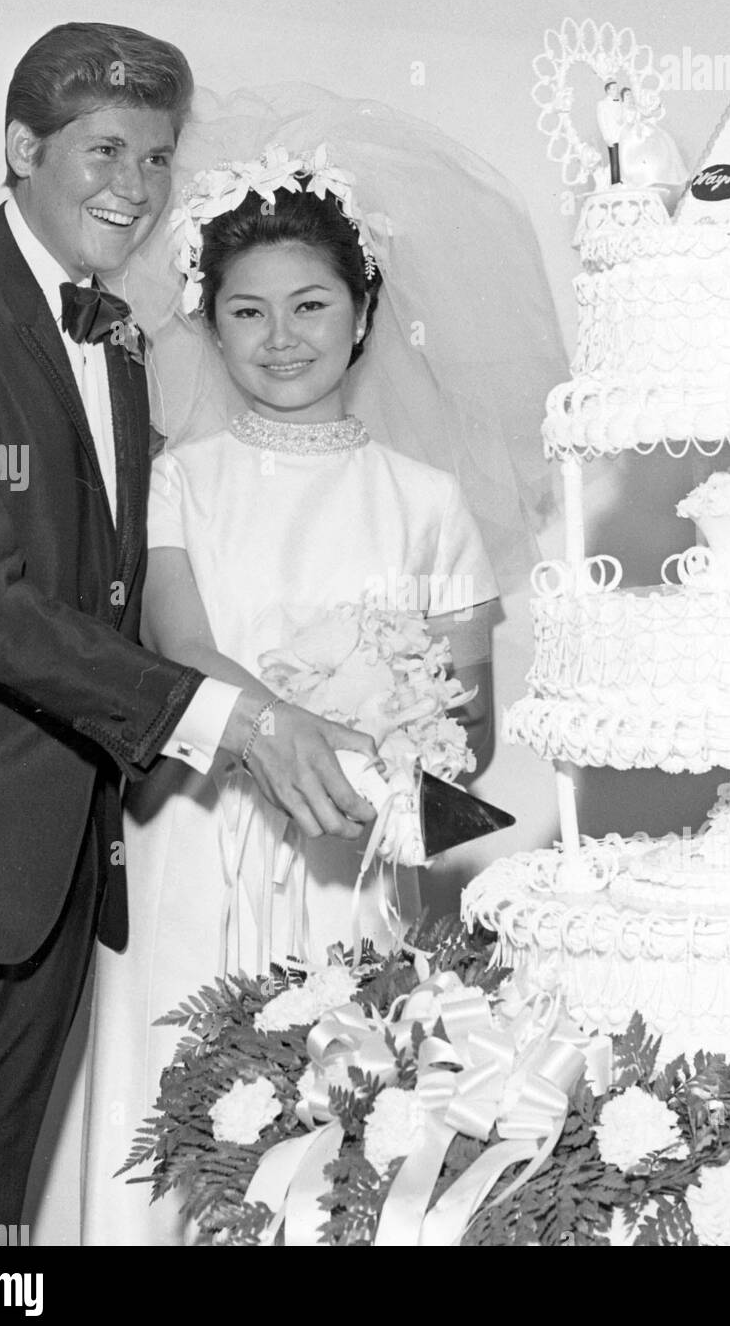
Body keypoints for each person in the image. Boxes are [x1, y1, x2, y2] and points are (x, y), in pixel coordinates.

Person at [0, 28, 378, 1248]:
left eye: (158, 157)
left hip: (65, 857)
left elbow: (105, 590)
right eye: (104, 150)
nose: (135, 185)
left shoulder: (114, 340)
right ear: (20, 149)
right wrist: (232, 717)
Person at [75, 89, 565, 1245]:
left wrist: (391, 762)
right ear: (207, 321)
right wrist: (298, 723)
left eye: (309, 305)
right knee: (169, 1127)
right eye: (246, 310)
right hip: (194, 844)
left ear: (362, 313)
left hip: (349, 867)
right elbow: (181, 648)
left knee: (337, 1140)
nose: (280, 336)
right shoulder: (176, 478)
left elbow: (467, 744)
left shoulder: (429, 501)